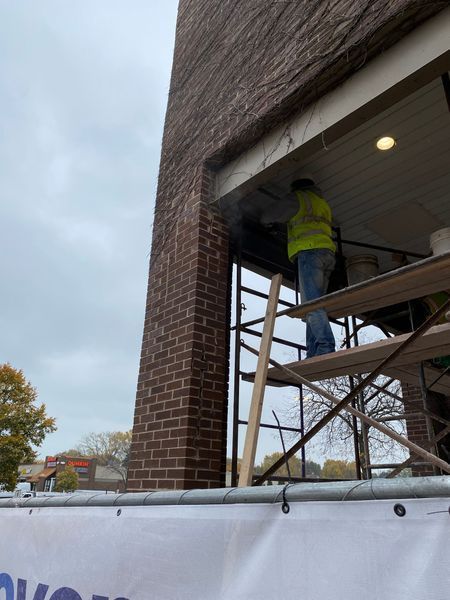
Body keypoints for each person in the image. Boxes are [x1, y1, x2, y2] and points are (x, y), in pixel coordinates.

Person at [260, 178, 336, 358]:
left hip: (310, 252)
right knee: (315, 303)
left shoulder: (299, 198)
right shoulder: (322, 203)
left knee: (311, 304)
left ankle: (325, 347)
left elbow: (267, 216)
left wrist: (267, 224)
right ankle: (314, 350)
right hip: (328, 254)